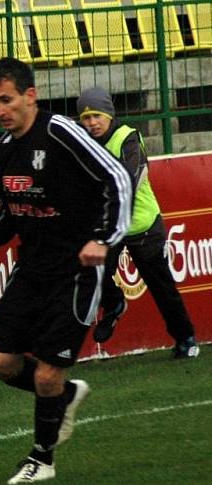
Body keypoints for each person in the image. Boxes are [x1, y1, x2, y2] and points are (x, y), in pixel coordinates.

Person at [0, 58, 133, 485]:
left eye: (7, 99)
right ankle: (66, 397)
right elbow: (10, 212)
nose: (0, 109)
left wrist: (104, 238)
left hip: (76, 270)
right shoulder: (5, 148)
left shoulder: (61, 132)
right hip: (31, 267)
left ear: (30, 95)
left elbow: (118, 178)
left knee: (48, 371)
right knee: (0, 363)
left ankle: (42, 458)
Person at [76, 87, 199, 359]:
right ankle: (115, 303)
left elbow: (131, 182)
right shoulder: (83, 143)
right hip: (111, 227)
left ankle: (185, 338)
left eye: (97, 115)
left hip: (142, 225)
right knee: (90, 272)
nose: (92, 123)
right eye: (86, 118)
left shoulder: (127, 138)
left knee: (161, 287)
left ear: (109, 114)